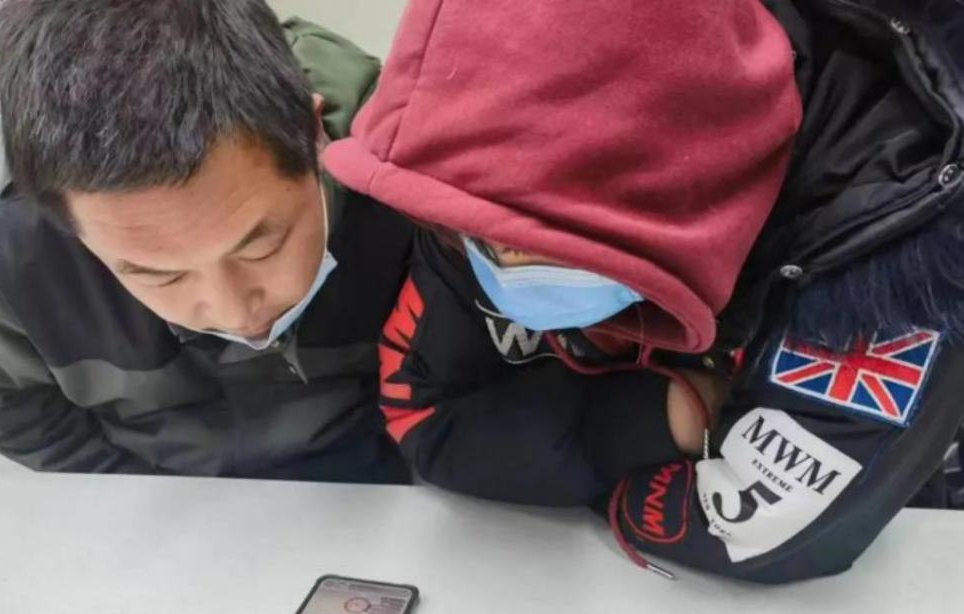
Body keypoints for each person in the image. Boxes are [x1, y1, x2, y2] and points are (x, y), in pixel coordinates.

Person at [324, 0, 964, 581]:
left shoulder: (895, 247)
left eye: (532, 237)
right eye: (476, 233)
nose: (496, 261)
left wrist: (566, 464)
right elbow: (425, 418)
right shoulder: (467, 183)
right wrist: (665, 415)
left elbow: (759, 534)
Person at [0, 1, 414, 483]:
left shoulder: (411, 178)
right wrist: (113, 482)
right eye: (160, 275)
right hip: (154, 482)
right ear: (58, 216)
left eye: (261, 247)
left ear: (312, 134)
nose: (236, 314)